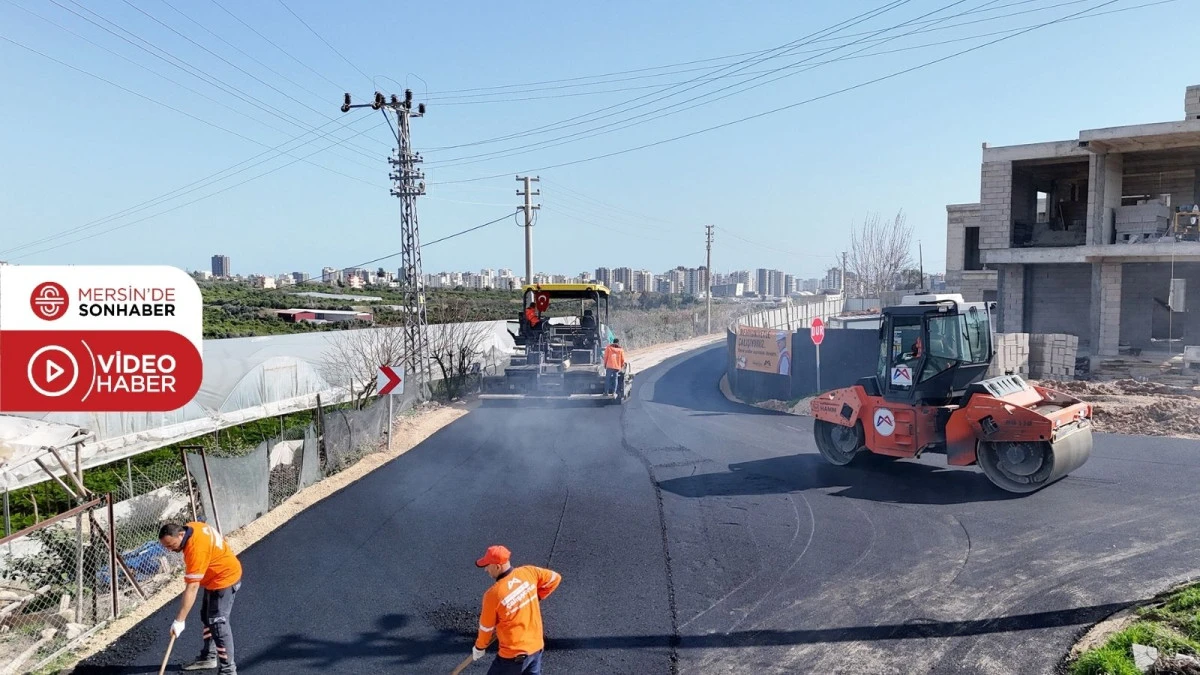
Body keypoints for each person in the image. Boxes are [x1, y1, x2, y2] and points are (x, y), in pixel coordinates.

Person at [159, 521, 243, 674]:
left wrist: (179, 620)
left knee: (218, 623)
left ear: (181, 534)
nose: (170, 550)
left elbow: (192, 587)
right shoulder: (193, 526)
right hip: (213, 578)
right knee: (206, 616)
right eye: (167, 547)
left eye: (171, 545)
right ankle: (209, 657)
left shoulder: (195, 549)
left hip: (224, 579)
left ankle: (228, 670)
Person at [470, 545, 562, 674]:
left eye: (487, 565)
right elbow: (554, 578)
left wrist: (479, 647)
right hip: (536, 647)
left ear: (497, 566)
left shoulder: (493, 595)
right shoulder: (528, 572)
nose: (486, 569)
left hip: (513, 656)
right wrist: (537, 596)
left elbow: (486, 627)